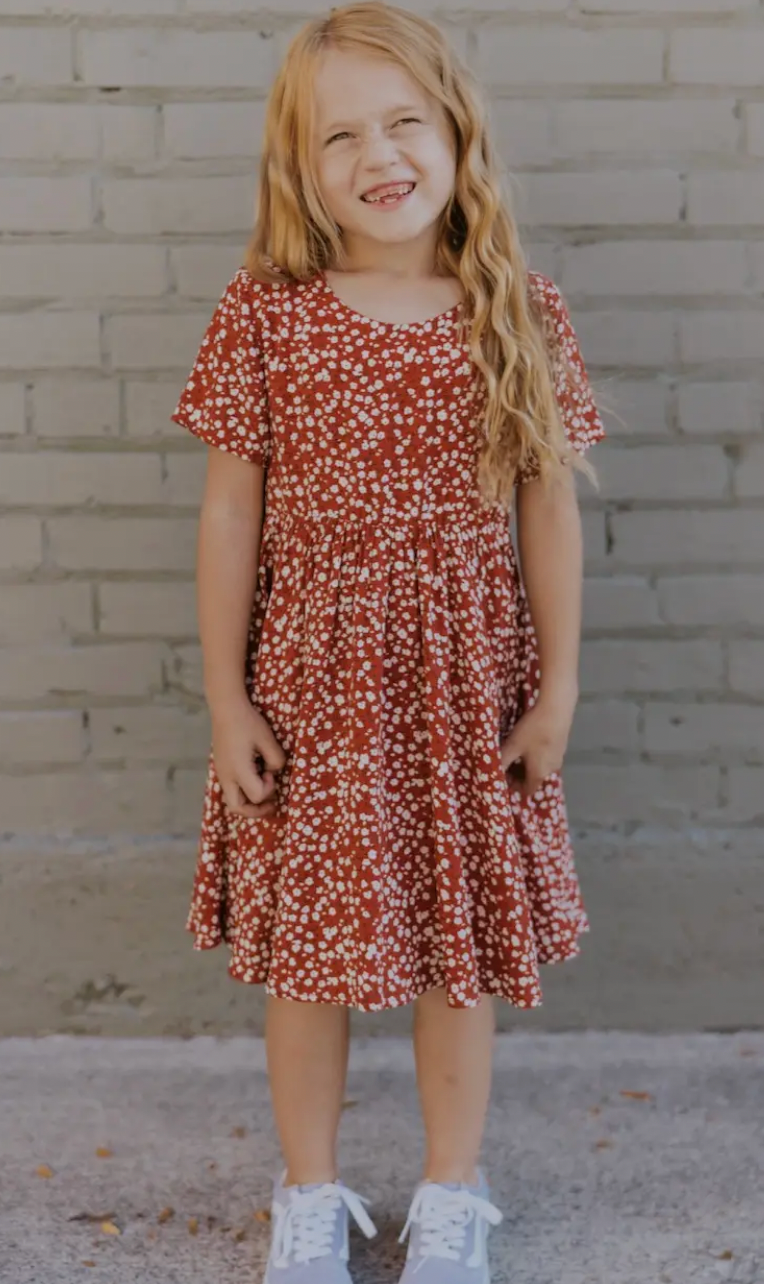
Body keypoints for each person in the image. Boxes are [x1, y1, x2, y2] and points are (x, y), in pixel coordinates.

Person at [172, 2, 605, 1280]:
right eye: (339, 136)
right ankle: (308, 1195)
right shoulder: (267, 314)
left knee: (452, 949)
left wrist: (558, 690)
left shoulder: (514, 307)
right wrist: (224, 696)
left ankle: (449, 1193)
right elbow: (227, 508)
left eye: (404, 121)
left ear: (457, 136)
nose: (379, 154)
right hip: (310, 688)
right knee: (307, 957)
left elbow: (548, 515)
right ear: (299, 168)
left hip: (467, 688)